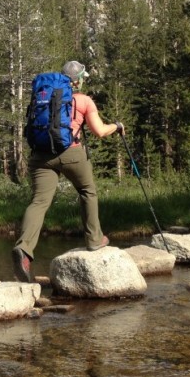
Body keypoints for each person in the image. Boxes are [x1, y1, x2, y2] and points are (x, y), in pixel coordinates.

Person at [12, 60, 125, 283]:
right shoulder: (83, 100)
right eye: (82, 77)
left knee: (39, 202)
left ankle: (23, 249)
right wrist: (117, 126)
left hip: (41, 155)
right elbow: (100, 131)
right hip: (72, 153)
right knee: (87, 191)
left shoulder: (43, 96)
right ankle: (94, 239)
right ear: (77, 80)